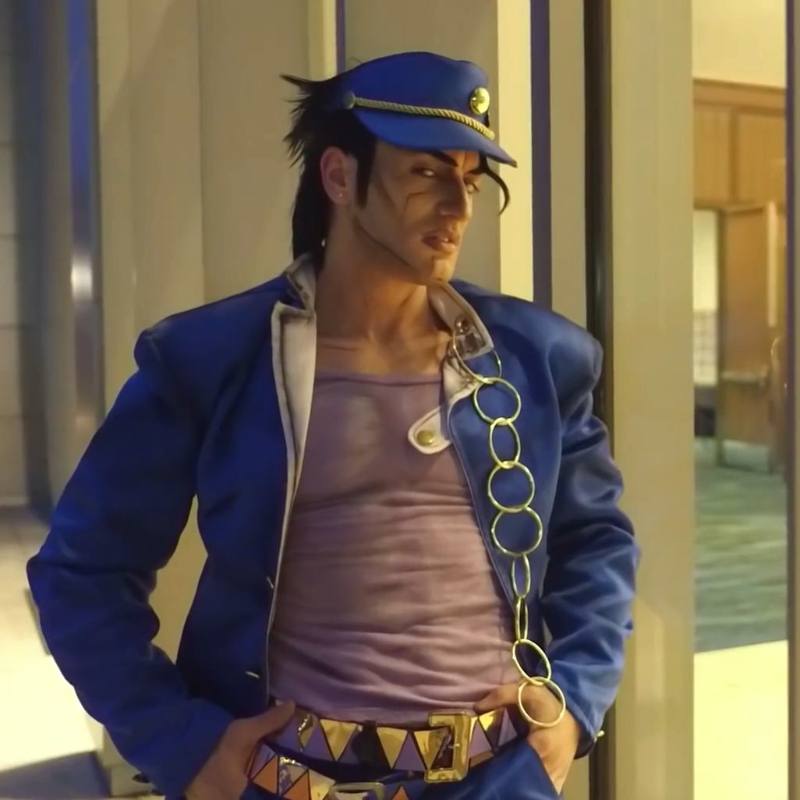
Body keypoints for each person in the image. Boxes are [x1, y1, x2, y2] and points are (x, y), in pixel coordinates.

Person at [27, 51, 639, 800]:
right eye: (426, 174)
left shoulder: (538, 359)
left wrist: (573, 703)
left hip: (496, 772)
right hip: (283, 776)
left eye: (471, 180)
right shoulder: (213, 360)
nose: (457, 207)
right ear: (340, 177)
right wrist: (181, 742)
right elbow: (80, 573)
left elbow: (596, 543)